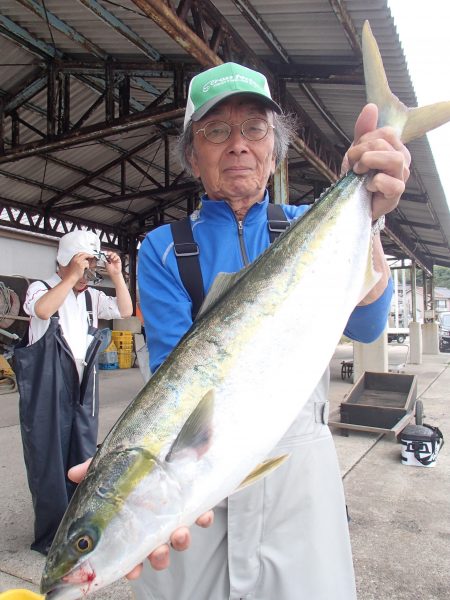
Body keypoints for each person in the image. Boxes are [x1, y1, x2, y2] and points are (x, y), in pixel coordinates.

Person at [70, 61, 410, 597]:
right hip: (201, 480)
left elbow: (367, 325)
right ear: (192, 155)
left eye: (254, 128)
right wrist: (135, 472)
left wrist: (370, 214)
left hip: (297, 468)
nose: (238, 145)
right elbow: (169, 376)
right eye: (216, 131)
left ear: (274, 149)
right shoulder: (163, 247)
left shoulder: (309, 223)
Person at [15, 229, 133, 556]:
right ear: (66, 260)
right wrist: (70, 277)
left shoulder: (91, 297)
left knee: (83, 460)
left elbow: (125, 310)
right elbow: (41, 311)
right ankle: (52, 538)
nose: (88, 273)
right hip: (47, 390)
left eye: (92, 265)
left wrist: (116, 275)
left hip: (82, 388)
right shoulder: (41, 288)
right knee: (48, 463)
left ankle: (81, 529)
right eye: (86, 263)